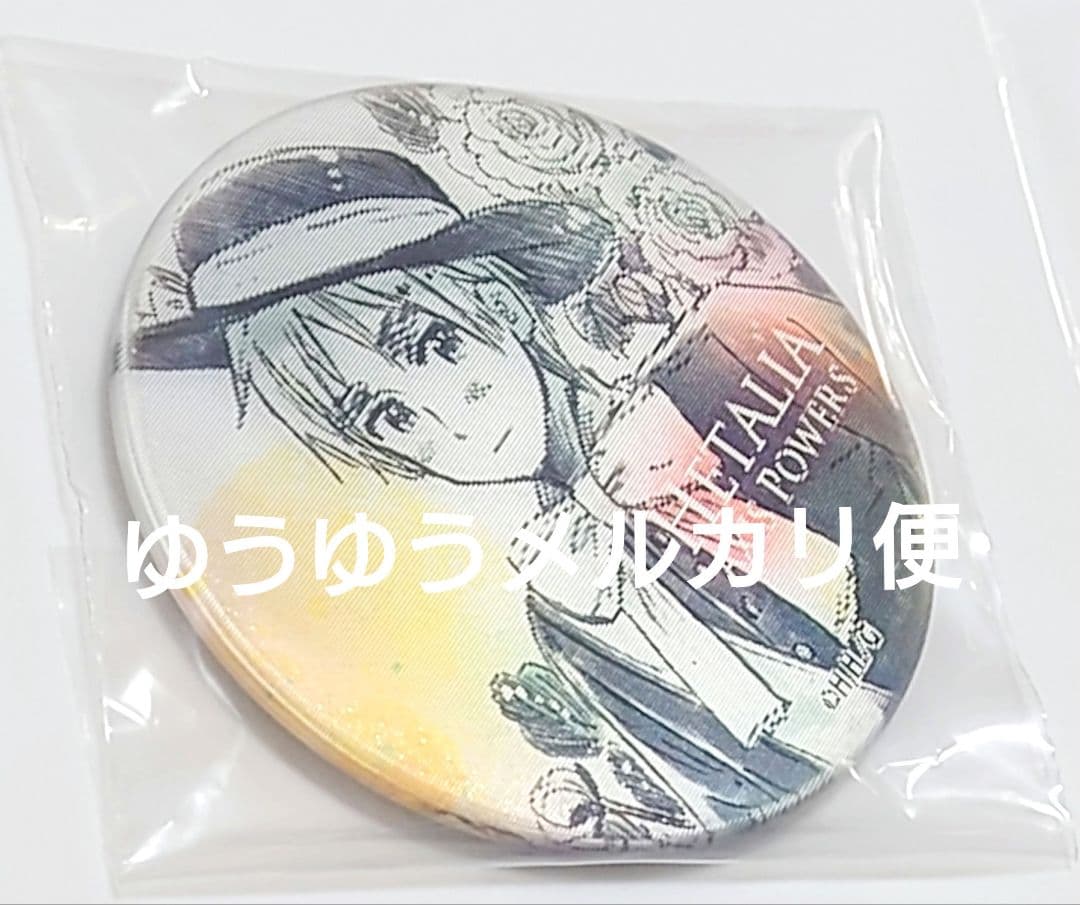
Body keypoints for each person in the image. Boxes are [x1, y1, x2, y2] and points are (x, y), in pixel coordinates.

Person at [126, 144, 928, 835]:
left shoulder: (713, 376)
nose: (445, 419)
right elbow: (721, 781)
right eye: (383, 416)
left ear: (500, 301)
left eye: (433, 345)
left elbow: (888, 518)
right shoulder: (562, 602)